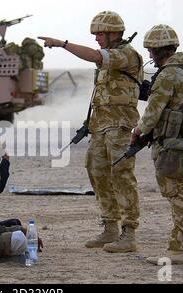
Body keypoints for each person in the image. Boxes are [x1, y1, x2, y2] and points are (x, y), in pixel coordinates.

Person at [39, 11, 142, 253]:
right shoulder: (108, 60)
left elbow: (96, 56)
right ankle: (110, 227)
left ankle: (129, 233)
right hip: (100, 126)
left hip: (120, 126)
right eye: (94, 34)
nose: (96, 37)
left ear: (114, 33)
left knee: (122, 176)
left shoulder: (125, 54)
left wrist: (62, 44)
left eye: (100, 33)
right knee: (96, 171)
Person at [132, 25, 183, 264]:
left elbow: (153, 112)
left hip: (172, 147)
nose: (150, 55)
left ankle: (177, 250)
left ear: (156, 50)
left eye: (151, 50)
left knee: (176, 196)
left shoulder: (167, 75)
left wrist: (138, 131)